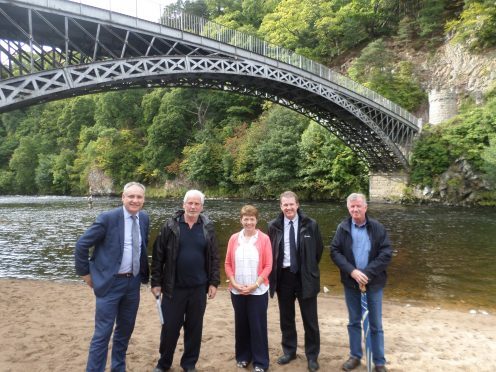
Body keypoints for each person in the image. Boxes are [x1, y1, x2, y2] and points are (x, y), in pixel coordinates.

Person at [74, 182, 150, 372]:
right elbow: (82, 245)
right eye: (131, 196)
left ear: (143, 200)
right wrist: (86, 274)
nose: (135, 200)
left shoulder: (144, 219)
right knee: (102, 333)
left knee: (124, 331)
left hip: (132, 284)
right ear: (123, 198)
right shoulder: (108, 218)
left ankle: (118, 368)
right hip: (110, 284)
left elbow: (141, 248)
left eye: (139, 197)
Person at [151, 189, 220, 372]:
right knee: (169, 329)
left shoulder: (207, 227)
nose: (193, 206)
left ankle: (189, 364)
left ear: (202, 207)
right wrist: (156, 282)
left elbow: (214, 257)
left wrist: (214, 282)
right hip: (174, 288)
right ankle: (163, 364)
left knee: (194, 329)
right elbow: (158, 256)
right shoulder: (170, 226)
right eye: (190, 203)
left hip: (198, 289)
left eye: (197, 204)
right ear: (183, 205)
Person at [330, 193, 392, 372]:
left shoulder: (377, 227)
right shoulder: (343, 228)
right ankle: (355, 356)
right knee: (354, 321)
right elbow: (335, 252)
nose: (355, 209)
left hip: (373, 283)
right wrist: (353, 272)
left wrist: (366, 273)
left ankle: (379, 361)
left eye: (358, 206)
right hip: (351, 283)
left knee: (375, 324)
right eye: (352, 207)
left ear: (365, 207)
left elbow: (386, 253)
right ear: (348, 208)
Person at [268, 191, 324, 372]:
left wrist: (307, 268)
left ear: (297, 205)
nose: (288, 208)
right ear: (280, 206)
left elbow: (318, 251)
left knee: (310, 320)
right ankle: (289, 351)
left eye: (291, 204)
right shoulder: (273, 226)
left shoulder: (311, 225)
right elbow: (270, 253)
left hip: (305, 277)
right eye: (285, 205)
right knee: (286, 318)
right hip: (284, 278)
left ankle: (312, 355)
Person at [225, 205, 273, 372]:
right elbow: (228, 264)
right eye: (245, 219)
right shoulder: (233, 239)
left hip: (258, 291)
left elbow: (268, 266)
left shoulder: (264, 239)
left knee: (257, 325)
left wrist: (255, 284)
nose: (248, 222)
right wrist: (234, 282)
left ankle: (260, 362)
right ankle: (243, 357)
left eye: (252, 219)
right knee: (241, 324)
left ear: (256, 220)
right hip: (237, 290)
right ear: (241, 220)